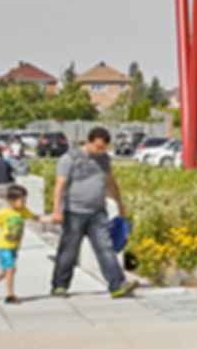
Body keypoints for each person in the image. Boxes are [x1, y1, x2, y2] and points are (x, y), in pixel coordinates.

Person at [49, 127, 136, 298]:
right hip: (74, 212)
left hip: (97, 212)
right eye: (97, 147)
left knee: (106, 248)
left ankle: (117, 285)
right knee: (69, 250)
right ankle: (59, 286)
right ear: (88, 142)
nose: (100, 151)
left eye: (103, 147)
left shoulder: (104, 159)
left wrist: (120, 204)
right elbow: (60, 185)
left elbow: (111, 182)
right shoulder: (70, 159)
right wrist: (56, 211)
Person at [0, 182, 33, 304]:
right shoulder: (4, 213)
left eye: (25, 200)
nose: (24, 203)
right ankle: (10, 295)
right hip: (4, 246)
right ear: (11, 201)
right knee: (11, 269)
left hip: (14, 246)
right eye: (22, 201)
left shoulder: (23, 211)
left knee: (7, 271)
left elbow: (36, 218)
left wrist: (54, 218)